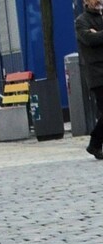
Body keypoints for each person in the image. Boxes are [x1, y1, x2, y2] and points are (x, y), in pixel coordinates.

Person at [76, 0, 103, 159]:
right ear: (86, 2)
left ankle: (95, 144)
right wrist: (95, 36)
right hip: (97, 75)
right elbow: (89, 40)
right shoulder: (82, 21)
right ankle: (95, 143)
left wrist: (98, 34)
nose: (98, 1)